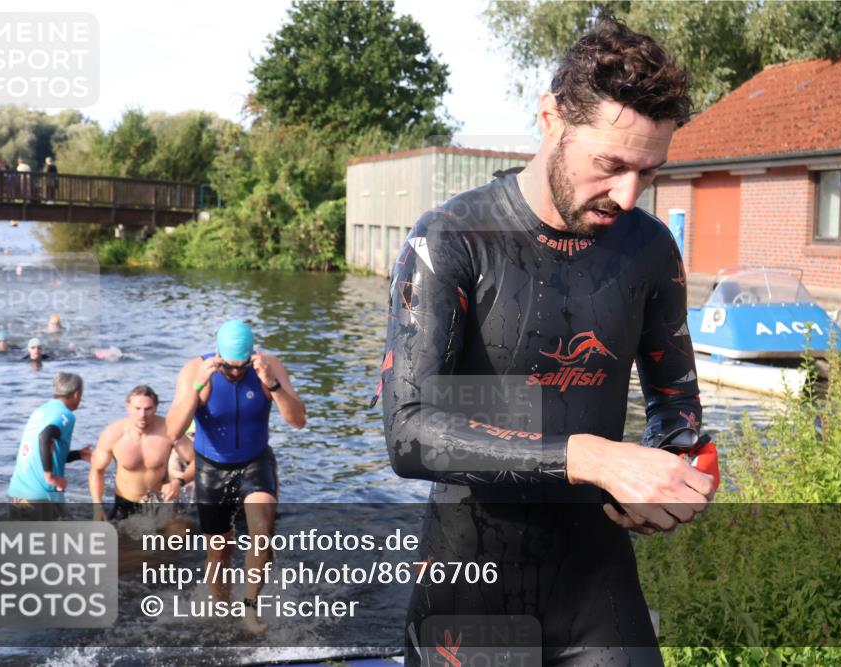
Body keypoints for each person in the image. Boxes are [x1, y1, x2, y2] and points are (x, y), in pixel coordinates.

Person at [378, 19, 714, 666]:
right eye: (611, 164)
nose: (628, 194)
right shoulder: (450, 240)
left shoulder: (649, 250)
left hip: (599, 593)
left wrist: (673, 472)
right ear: (551, 118)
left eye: (649, 172)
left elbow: (679, 407)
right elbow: (409, 431)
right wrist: (588, 457)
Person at [166, 319, 306, 634]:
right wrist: (197, 389)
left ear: (252, 355)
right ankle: (220, 608)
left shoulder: (268, 366)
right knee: (220, 551)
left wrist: (272, 384)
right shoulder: (194, 370)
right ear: (218, 355)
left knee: (262, 531)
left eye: (241, 367)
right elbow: (173, 431)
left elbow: (298, 420)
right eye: (229, 367)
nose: (235, 373)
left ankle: (249, 609)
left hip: (256, 462)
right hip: (211, 468)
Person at [90, 385, 195, 522]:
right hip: (125, 503)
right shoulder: (113, 434)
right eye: (137, 409)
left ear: (156, 408)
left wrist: (179, 482)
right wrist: (97, 507)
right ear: (128, 407)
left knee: (179, 537)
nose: (142, 415)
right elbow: (97, 470)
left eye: (148, 409)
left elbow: (198, 461)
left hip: (160, 502)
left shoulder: (170, 430)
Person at [7, 373, 92, 513]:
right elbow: (45, 436)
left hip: (16, 494)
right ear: (77, 394)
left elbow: (40, 450)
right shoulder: (66, 415)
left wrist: (79, 454)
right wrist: (50, 476)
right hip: (41, 496)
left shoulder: (40, 411)